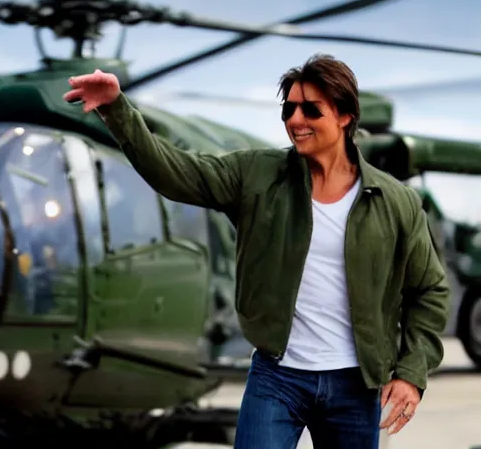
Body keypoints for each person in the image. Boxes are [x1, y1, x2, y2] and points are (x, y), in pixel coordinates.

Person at [64, 54, 450, 449]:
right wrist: (117, 109)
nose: (295, 120)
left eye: (311, 110)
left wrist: (411, 371)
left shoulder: (395, 201)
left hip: (356, 385)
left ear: (345, 116)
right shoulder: (256, 175)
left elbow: (430, 291)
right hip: (277, 377)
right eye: (289, 109)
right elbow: (175, 172)